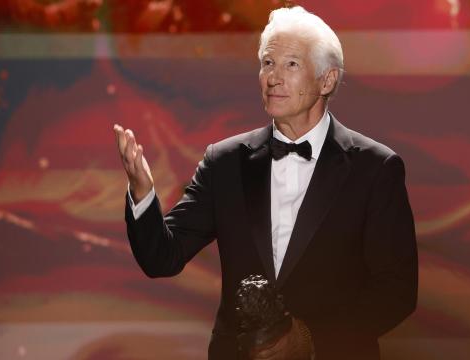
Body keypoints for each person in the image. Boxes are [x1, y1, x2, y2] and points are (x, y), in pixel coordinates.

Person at [113, 6, 417, 360]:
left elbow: (396, 291)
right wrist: (142, 191)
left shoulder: (375, 168)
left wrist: (308, 338)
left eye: (291, 64)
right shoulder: (224, 162)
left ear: (327, 80)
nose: (273, 77)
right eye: (267, 63)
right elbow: (161, 258)